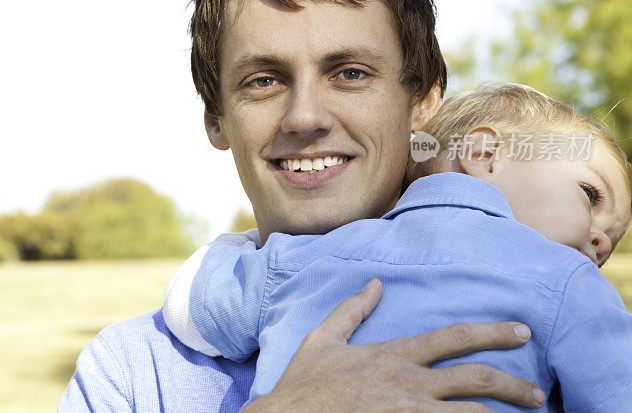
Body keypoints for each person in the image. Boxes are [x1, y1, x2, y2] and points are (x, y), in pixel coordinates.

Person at [58, 0, 548, 411]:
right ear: (216, 119)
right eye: (264, 80)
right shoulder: (130, 375)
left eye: (350, 73)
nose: (306, 118)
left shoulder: (538, 309)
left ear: (422, 100)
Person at [162, 84, 632, 411]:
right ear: (485, 155)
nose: (598, 241)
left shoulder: (313, 256)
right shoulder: (568, 285)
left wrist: (257, 251)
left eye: (610, 242)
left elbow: (193, 305)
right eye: (591, 195)